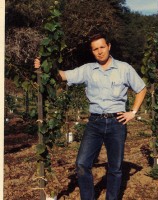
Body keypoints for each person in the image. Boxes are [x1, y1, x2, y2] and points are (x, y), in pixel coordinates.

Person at [34, 33, 146, 200]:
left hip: (117, 122)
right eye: (95, 49)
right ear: (92, 52)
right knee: (82, 164)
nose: (99, 51)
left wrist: (133, 112)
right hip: (95, 122)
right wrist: (44, 67)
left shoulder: (124, 68)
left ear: (109, 46)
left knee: (115, 168)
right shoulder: (87, 70)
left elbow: (141, 89)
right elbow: (63, 76)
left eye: (102, 47)